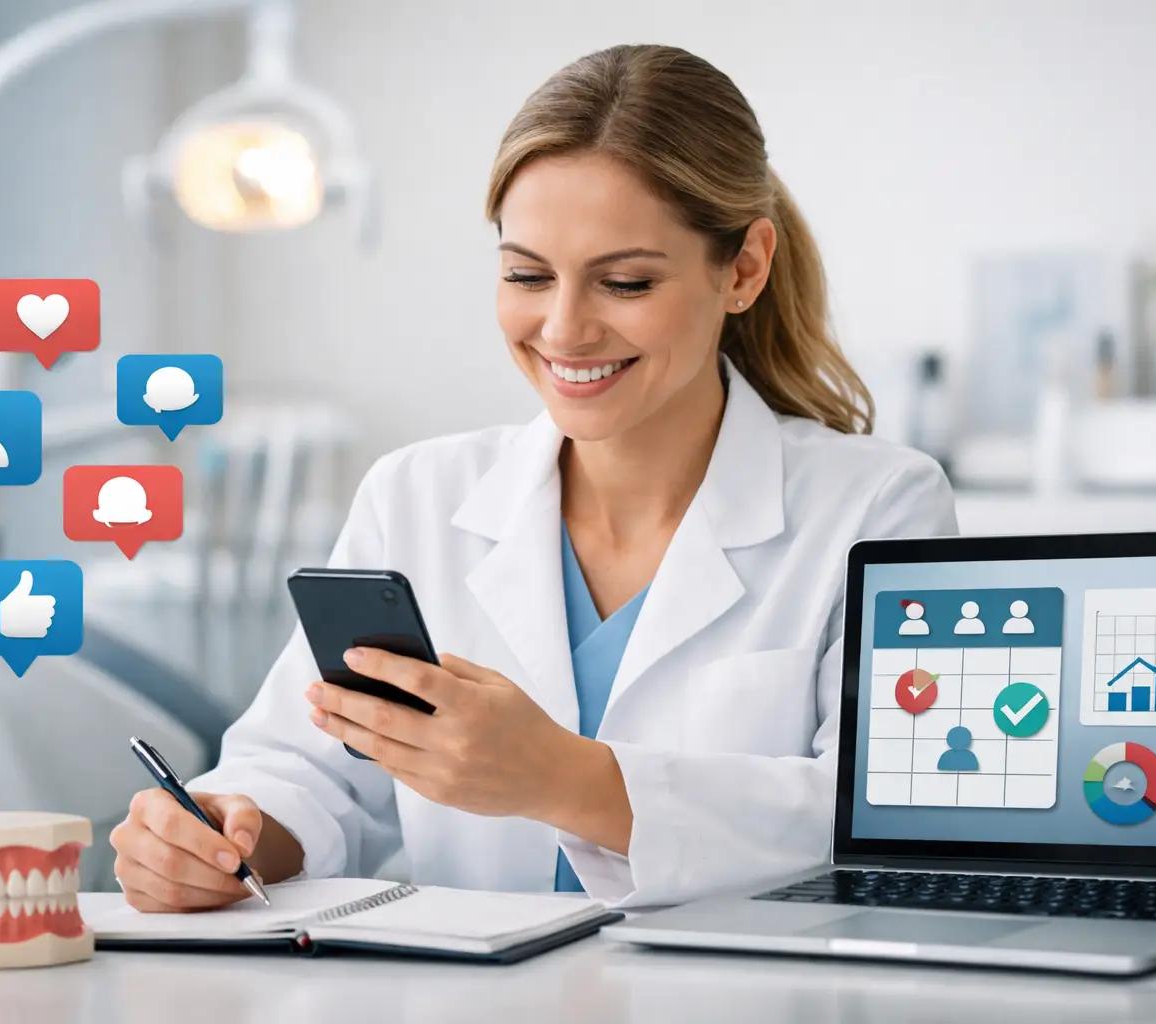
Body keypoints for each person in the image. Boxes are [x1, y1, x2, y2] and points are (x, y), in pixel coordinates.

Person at [110, 43, 956, 911]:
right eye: (526, 275)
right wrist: (220, 836)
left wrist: (566, 779)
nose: (563, 328)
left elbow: (896, 823)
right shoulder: (417, 497)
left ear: (742, 269)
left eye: (624, 282)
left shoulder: (877, 508)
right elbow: (308, 773)